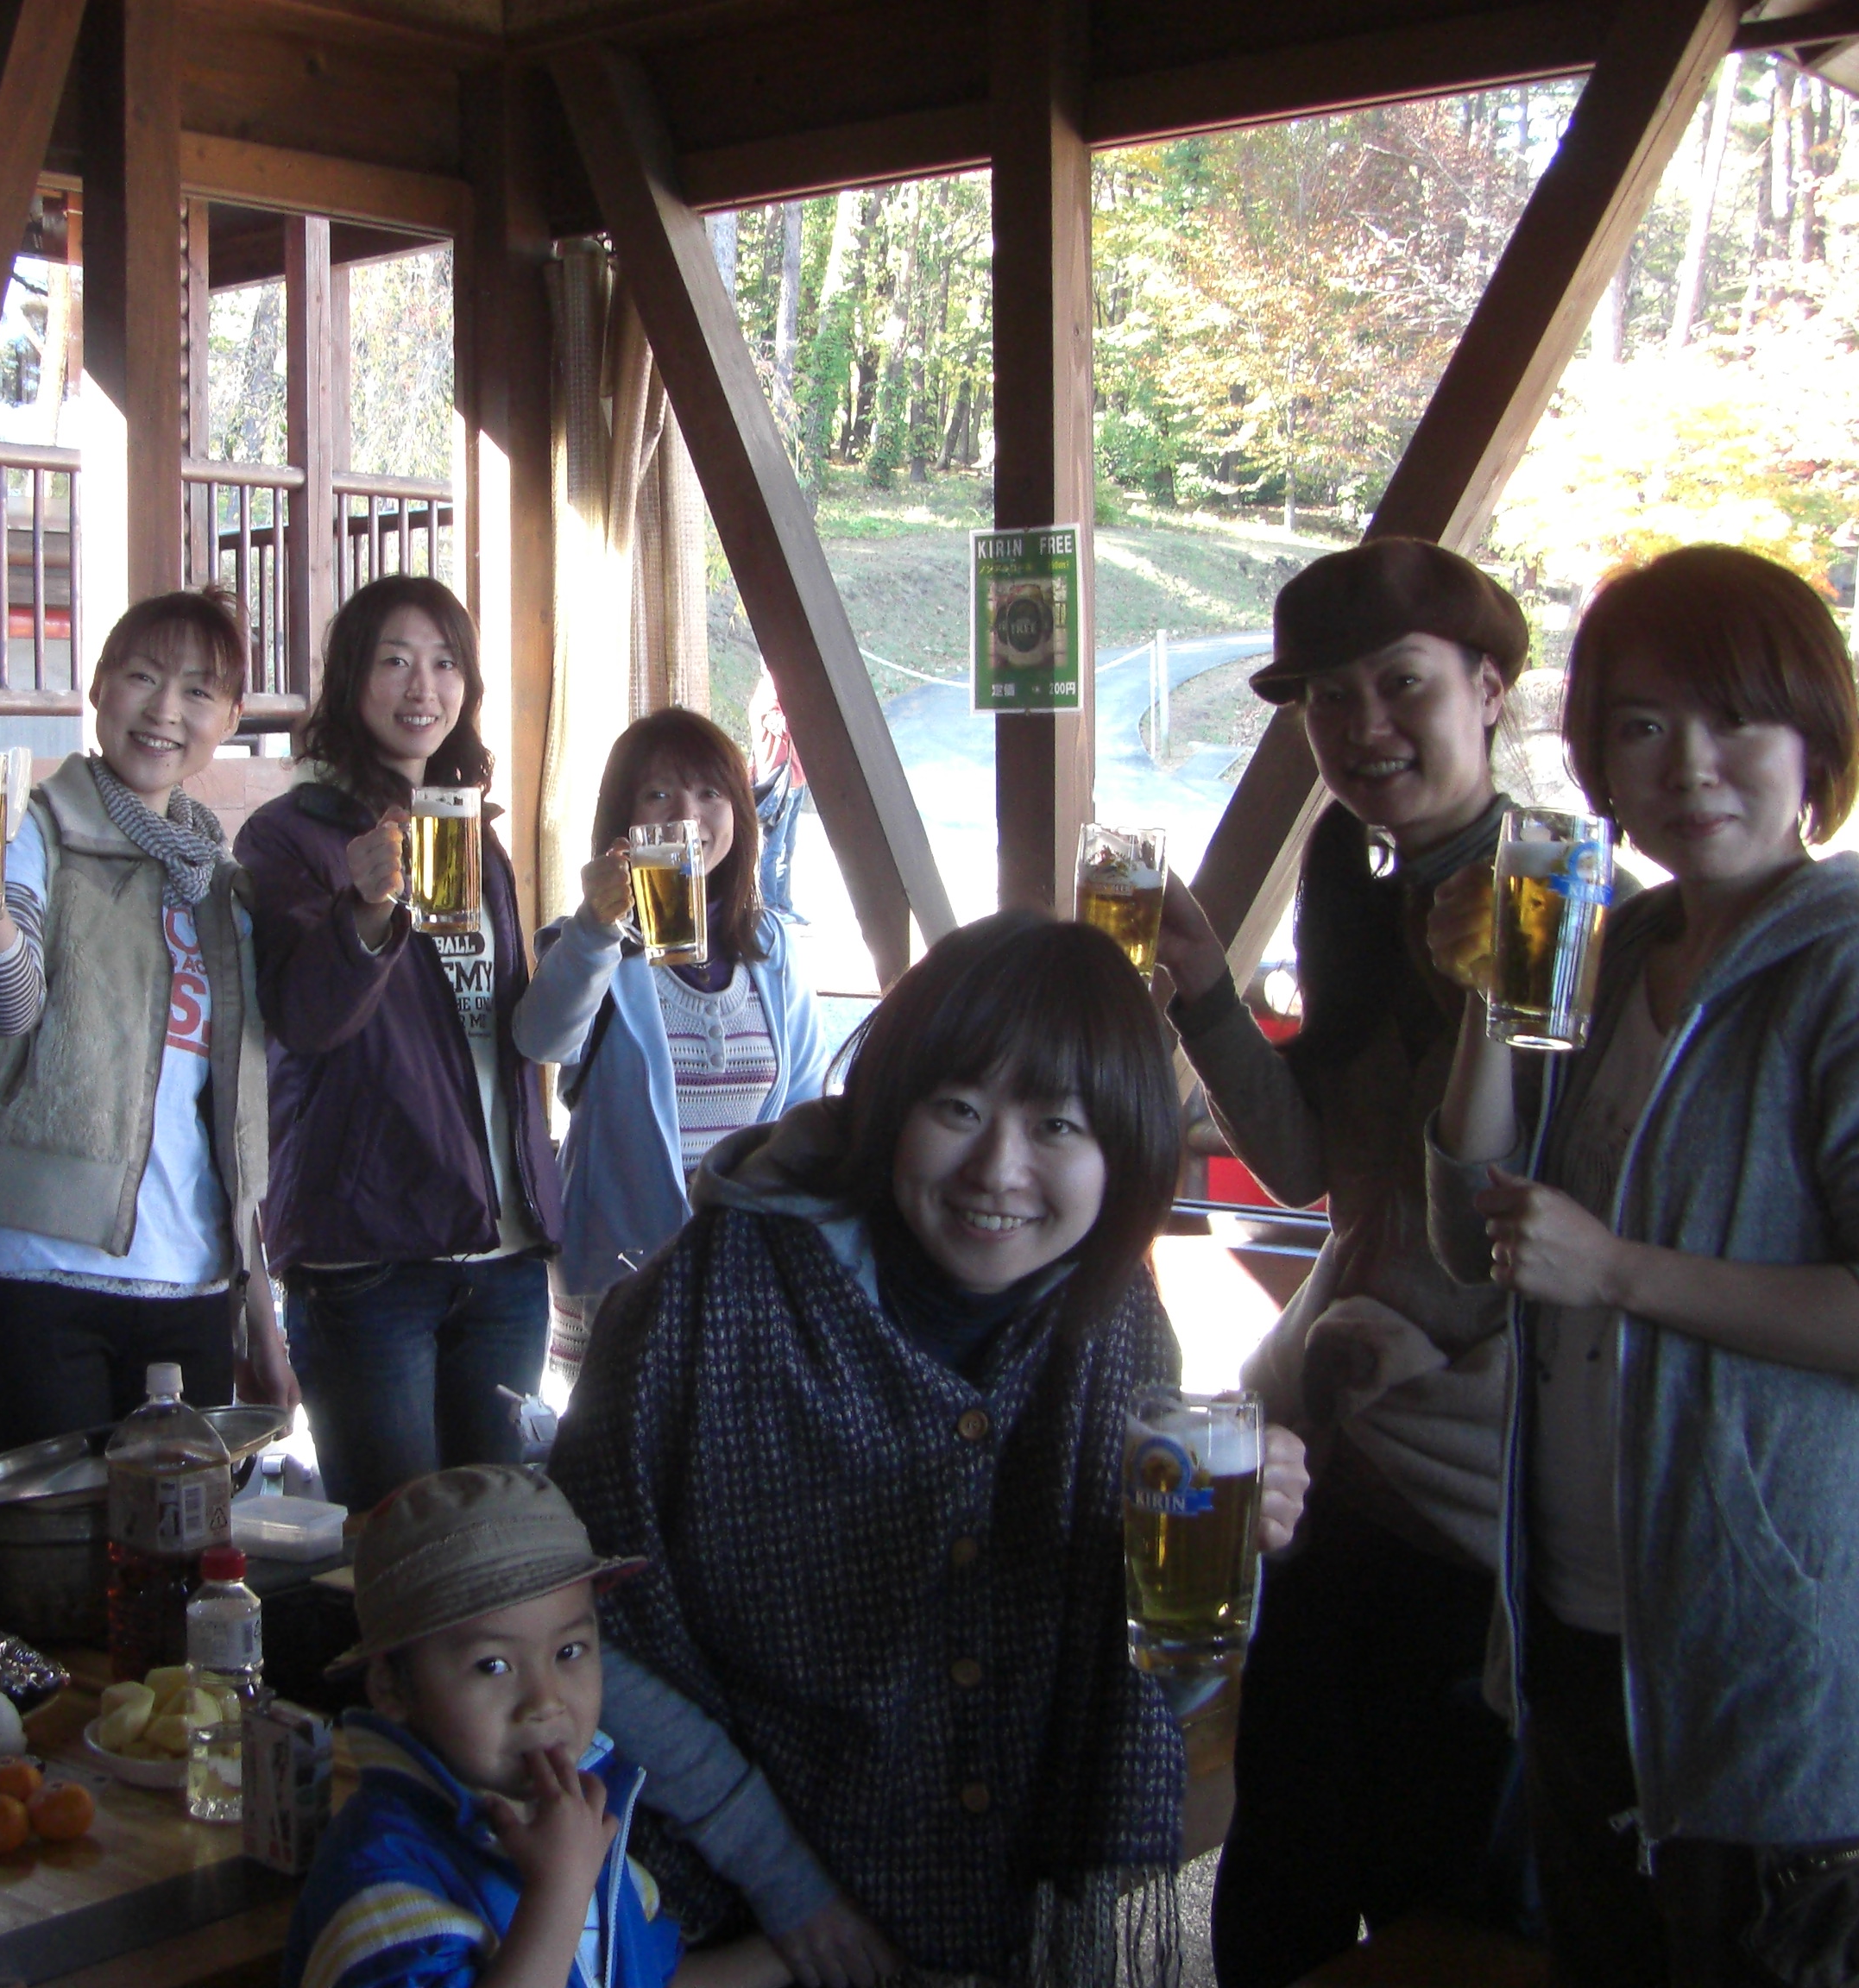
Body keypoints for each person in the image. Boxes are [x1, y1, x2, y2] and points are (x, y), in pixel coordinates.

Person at [549, 912, 1308, 1985]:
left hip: (1013, 1928)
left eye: (1059, 1126)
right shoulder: (708, 1298)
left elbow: (1146, 1695)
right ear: (889, 1102)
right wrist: (787, 1885)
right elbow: (573, 1617)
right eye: (959, 1108)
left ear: (1126, 1149)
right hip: (726, 1917)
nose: (999, 1169)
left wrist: (1221, 1564)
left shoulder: (1115, 1324)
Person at [1426, 544, 1859, 1988]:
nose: (1691, 765)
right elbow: (1473, 1241)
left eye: (1739, 719)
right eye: (1645, 724)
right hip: (1569, 1610)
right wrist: (1492, 996)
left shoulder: (1840, 967)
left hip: (1759, 1647)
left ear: (1816, 742)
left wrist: (1616, 1271)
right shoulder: (1609, 949)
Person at [1151, 538, 1527, 1986]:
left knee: (1448, 1882)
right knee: (1288, 1848)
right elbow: (1309, 1163)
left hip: (1478, 1486)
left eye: (1400, 683)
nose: (1364, 724)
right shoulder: (1356, 878)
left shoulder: (1562, 906)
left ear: (1487, 688)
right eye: (1327, 696)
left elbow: (1553, 1216)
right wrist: (1203, 991)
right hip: (1327, 1459)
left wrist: (1439, 1350)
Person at [0, 586, 292, 1462]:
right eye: (142, 677)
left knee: (179, 1544)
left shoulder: (218, 884)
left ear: (231, 719)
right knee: (50, 1549)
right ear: (97, 686)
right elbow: (8, 1004)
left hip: (190, 1287)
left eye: (198, 691)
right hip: (32, 1275)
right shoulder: (29, 828)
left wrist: (260, 1317)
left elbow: (222, 1126)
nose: (165, 710)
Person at [235, 574, 564, 1516]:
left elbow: (501, 1040)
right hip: (369, 1257)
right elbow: (306, 1021)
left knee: (500, 1535)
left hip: (501, 1254)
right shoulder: (289, 838)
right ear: (350, 679)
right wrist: (368, 909)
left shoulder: (476, 840)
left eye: (446, 662)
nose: (424, 687)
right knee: (395, 1542)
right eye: (395, 661)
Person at [285, 1464, 789, 1988]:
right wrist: (559, 1891)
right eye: (493, 1665)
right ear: (391, 1688)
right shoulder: (383, 1889)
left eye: (569, 1651)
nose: (545, 1701)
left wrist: (789, 1956)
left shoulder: (579, 1830)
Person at [514, 708, 832, 1389]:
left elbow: (806, 1108)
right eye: (658, 793)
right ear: (624, 822)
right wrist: (597, 927)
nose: (687, 816)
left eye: (710, 792)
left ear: (739, 813)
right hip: (622, 1275)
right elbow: (541, 1038)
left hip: (743, 1275)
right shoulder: (588, 943)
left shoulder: (771, 946)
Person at [747, 669, 804, 921]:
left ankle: (784, 904)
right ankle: (770, 907)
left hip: (796, 780)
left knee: (788, 848)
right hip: (778, 783)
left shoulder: (785, 693)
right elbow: (783, 726)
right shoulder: (766, 698)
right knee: (774, 848)